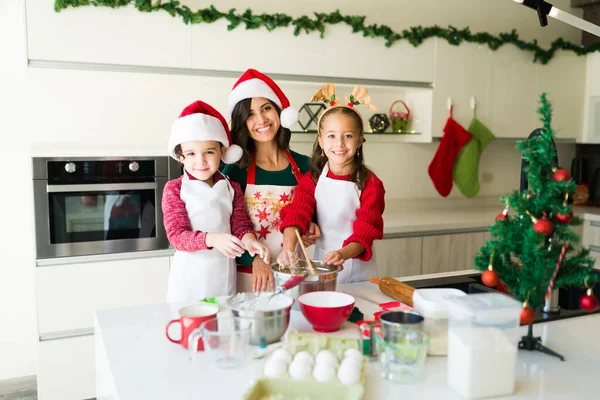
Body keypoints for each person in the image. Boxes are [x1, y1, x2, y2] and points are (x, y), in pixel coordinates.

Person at [277, 84, 385, 284]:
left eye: (348, 136)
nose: (339, 144)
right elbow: (296, 214)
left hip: (359, 270)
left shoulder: (371, 184)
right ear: (321, 141)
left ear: (361, 140)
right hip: (322, 266)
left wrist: (343, 254)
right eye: (332, 136)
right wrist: (288, 250)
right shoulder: (312, 180)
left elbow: (366, 230)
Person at [223, 69, 320, 292]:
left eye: (266, 108)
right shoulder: (235, 170)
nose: (261, 120)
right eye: (250, 114)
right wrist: (253, 258)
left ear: (280, 112)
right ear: (242, 123)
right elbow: (227, 227)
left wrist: (311, 228)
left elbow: (309, 213)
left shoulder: (305, 166)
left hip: (292, 275)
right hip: (249, 277)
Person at [163, 100, 269, 303]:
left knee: (222, 327)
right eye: (192, 153)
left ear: (222, 152)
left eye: (209, 152)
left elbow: (240, 225)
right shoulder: (175, 189)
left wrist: (250, 241)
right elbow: (177, 236)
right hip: (188, 282)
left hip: (223, 278)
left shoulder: (232, 187)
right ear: (181, 156)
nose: (200, 161)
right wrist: (213, 239)